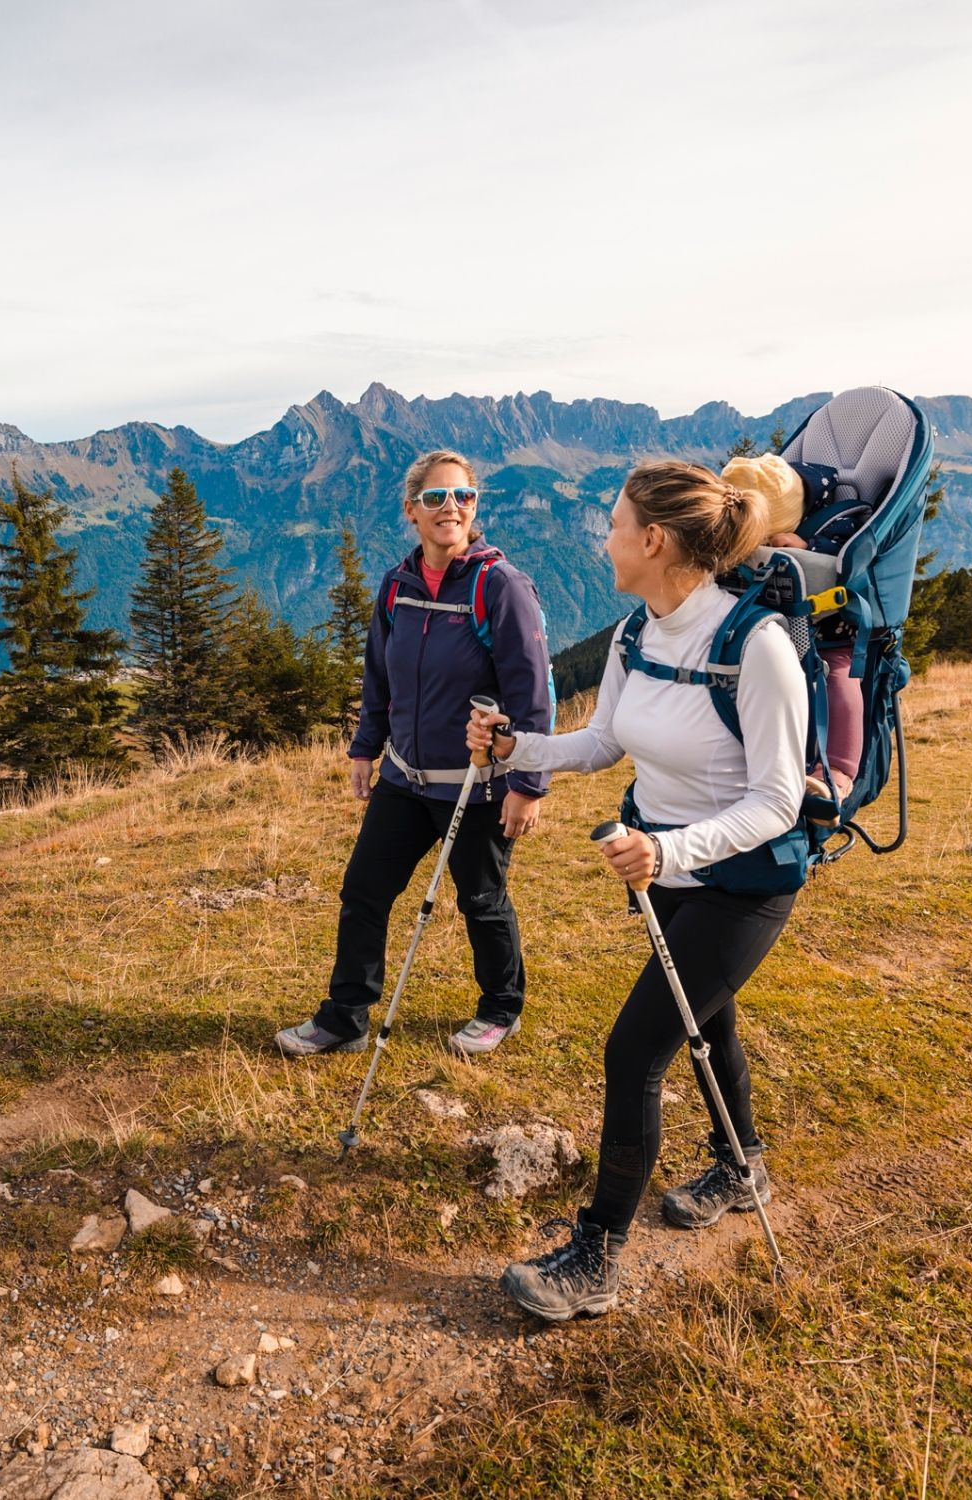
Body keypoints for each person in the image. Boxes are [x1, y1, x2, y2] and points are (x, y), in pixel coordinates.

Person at [466, 459, 807, 1320]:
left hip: (742, 880)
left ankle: (597, 1257)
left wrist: (671, 848)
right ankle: (743, 1167)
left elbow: (777, 799)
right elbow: (603, 742)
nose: (604, 537)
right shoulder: (634, 635)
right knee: (705, 1017)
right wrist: (517, 750)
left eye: (614, 523)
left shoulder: (756, 646)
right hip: (665, 870)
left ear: (654, 541)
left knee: (635, 1050)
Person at [275, 449, 555, 1060]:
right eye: (436, 497)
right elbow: (380, 674)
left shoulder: (499, 586)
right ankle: (345, 1017)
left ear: (475, 506)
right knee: (364, 892)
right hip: (406, 777)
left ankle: (499, 1009)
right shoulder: (397, 586)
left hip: (477, 784)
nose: (450, 507)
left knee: (480, 899)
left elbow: (534, 691)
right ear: (412, 510)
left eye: (463, 496)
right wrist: (364, 750)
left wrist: (529, 783)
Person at [722, 451, 863, 802]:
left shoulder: (838, 524)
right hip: (771, 633)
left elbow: (851, 559)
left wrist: (809, 548)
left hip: (832, 634)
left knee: (840, 681)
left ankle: (839, 772)